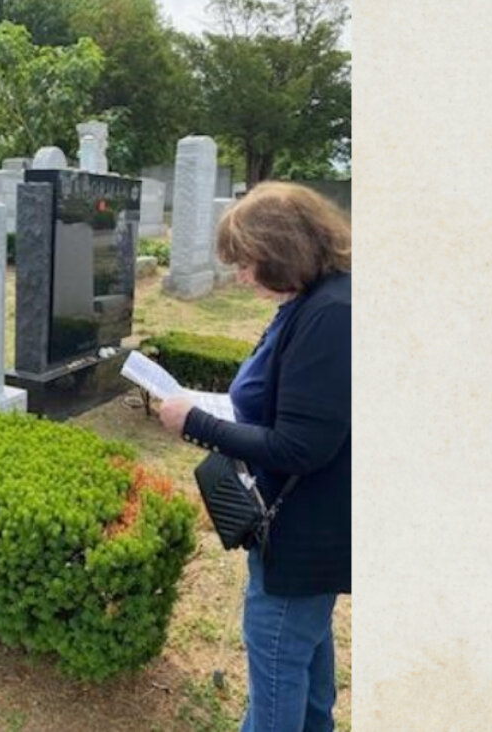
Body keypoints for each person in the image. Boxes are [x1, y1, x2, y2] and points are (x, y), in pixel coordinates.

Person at [158, 182, 351, 732]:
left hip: (302, 538)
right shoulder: (313, 300)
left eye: (248, 263)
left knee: (275, 669)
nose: (241, 277)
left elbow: (300, 447)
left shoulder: (332, 314)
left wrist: (195, 423)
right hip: (308, 529)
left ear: (283, 249)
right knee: (306, 665)